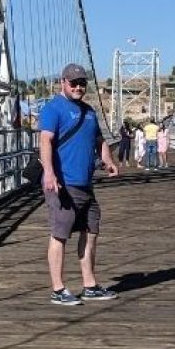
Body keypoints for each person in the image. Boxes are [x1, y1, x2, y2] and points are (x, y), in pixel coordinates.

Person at [39, 63, 119, 306]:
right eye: (73, 82)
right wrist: (50, 174)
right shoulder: (53, 108)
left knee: (91, 231)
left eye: (82, 82)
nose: (78, 87)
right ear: (62, 82)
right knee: (60, 234)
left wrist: (107, 161)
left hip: (85, 184)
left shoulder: (90, 111)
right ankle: (58, 289)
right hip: (63, 183)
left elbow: (99, 140)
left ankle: (90, 285)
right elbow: (45, 141)